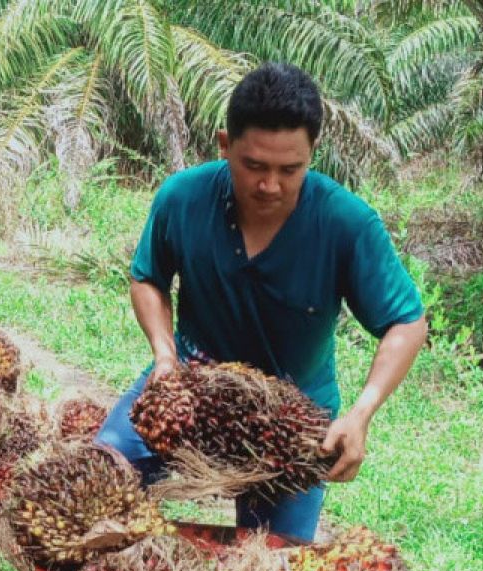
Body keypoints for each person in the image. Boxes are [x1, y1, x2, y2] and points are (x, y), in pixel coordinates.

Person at [95, 62, 428, 544]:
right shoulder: (183, 199)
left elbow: (406, 323)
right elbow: (147, 278)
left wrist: (360, 414)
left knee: (270, 564)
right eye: (254, 165)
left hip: (293, 417)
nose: (270, 185)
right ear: (224, 144)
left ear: (313, 153)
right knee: (100, 476)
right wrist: (165, 357)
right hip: (189, 385)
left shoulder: (346, 224)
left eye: (289, 169)